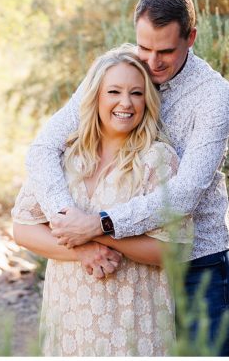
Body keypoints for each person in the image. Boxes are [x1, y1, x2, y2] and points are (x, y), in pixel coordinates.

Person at [24, 0, 229, 355]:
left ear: (191, 37)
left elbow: (185, 193)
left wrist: (100, 224)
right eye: (145, 47)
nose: (152, 62)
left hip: (195, 266)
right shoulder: (119, 71)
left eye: (165, 51)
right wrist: (68, 220)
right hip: (130, 270)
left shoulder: (214, 97)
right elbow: (44, 146)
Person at [11, 46, 189, 355]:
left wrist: (97, 232)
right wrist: (83, 251)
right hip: (67, 323)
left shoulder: (157, 160)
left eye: (136, 93)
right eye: (114, 91)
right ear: (95, 97)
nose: (125, 103)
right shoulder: (65, 156)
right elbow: (23, 229)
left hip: (134, 326)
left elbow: (174, 250)